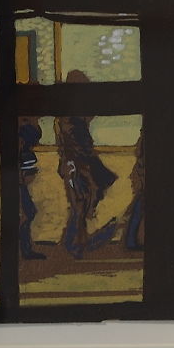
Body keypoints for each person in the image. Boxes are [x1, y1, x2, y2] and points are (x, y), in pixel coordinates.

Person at [55, 71, 118, 255]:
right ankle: (74, 243)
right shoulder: (70, 118)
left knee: (81, 204)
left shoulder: (71, 114)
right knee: (80, 204)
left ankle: (78, 242)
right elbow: (74, 143)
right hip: (75, 164)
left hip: (78, 163)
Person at [16, 115, 46, 259]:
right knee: (27, 214)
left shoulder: (25, 151)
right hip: (20, 186)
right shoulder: (24, 152)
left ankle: (26, 249)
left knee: (28, 213)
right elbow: (24, 173)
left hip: (21, 186)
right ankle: (25, 249)